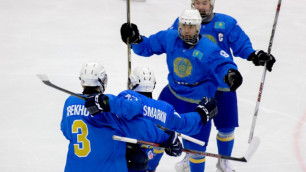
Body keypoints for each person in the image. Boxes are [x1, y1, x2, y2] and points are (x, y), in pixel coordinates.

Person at [120, 9, 243, 172]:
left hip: (197, 101)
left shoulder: (207, 48)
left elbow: (222, 63)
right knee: (156, 136)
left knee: (195, 149)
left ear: (198, 28)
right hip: (172, 95)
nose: (186, 30)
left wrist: (230, 73)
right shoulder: (169, 37)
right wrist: (136, 39)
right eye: (184, 25)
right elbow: (148, 45)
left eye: (191, 26)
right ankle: (148, 169)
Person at [168, 1, 276, 171]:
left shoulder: (226, 23)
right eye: (197, 2)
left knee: (226, 126)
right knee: (191, 124)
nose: (200, 6)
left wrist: (254, 55)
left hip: (222, 84)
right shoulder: (182, 22)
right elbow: (170, 41)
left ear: (211, 5)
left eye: (204, 2)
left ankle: (223, 160)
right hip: (196, 87)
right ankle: (189, 154)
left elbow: (242, 44)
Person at [86, 66, 219, 172]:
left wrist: (105, 102)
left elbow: (129, 109)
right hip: (142, 163)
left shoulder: (127, 96)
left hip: (118, 162)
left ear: (132, 83)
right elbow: (184, 123)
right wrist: (202, 113)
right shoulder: (164, 109)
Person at [60, 62, 183, 172]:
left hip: (74, 167)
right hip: (107, 167)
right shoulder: (106, 107)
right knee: (137, 158)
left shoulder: (70, 101)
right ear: (102, 81)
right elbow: (138, 128)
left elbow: (66, 131)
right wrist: (166, 137)